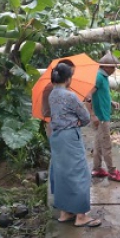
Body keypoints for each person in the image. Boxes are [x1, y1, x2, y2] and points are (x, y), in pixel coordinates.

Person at [48, 62, 101, 227]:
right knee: (80, 173)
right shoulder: (70, 96)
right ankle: (81, 216)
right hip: (70, 137)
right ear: (68, 78)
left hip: (56, 138)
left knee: (62, 173)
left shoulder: (52, 95)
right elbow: (85, 117)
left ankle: (65, 212)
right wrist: (86, 102)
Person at [85, 51, 120, 182]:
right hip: (101, 117)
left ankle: (97, 168)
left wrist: (111, 102)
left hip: (102, 115)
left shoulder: (103, 77)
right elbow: (88, 96)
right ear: (106, 66)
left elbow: (100, 95)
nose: (114, 70)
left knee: (98, 144)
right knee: (107, 145)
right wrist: (93, 115)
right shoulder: (98, 77)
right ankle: (112, 171)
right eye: (113, 67)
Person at [42, 59, 76, 195]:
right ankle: (57, 191)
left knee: (58, 158)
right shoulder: (53, 88)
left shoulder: (59, 89)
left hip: (56, 125)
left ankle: (58, 190)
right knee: (58, 159)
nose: (71, 77)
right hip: (54, 125)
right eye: (71, 73)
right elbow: (47, 111)